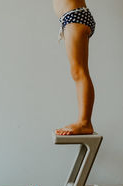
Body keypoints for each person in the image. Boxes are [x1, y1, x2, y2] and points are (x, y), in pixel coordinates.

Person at [53, 0, 96, 135]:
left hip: (74, 17)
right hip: (71, 18)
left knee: (79, 71)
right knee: (77, 72)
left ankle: (84, 122)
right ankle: (84, 121)